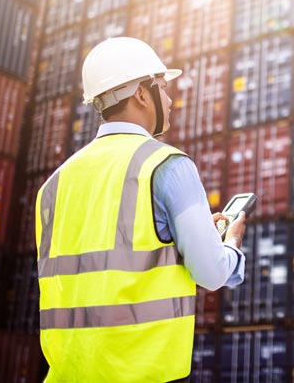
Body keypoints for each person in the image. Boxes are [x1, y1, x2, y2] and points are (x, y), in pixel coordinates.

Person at [35, 37, 246, 382]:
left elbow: (103, 261)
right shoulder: (167, 165)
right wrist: (231, 245)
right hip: (139, 374)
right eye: (162, 87)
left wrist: (176, 243)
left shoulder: (52, 186)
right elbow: (211, 272)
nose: (170, 99)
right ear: (141, 94)